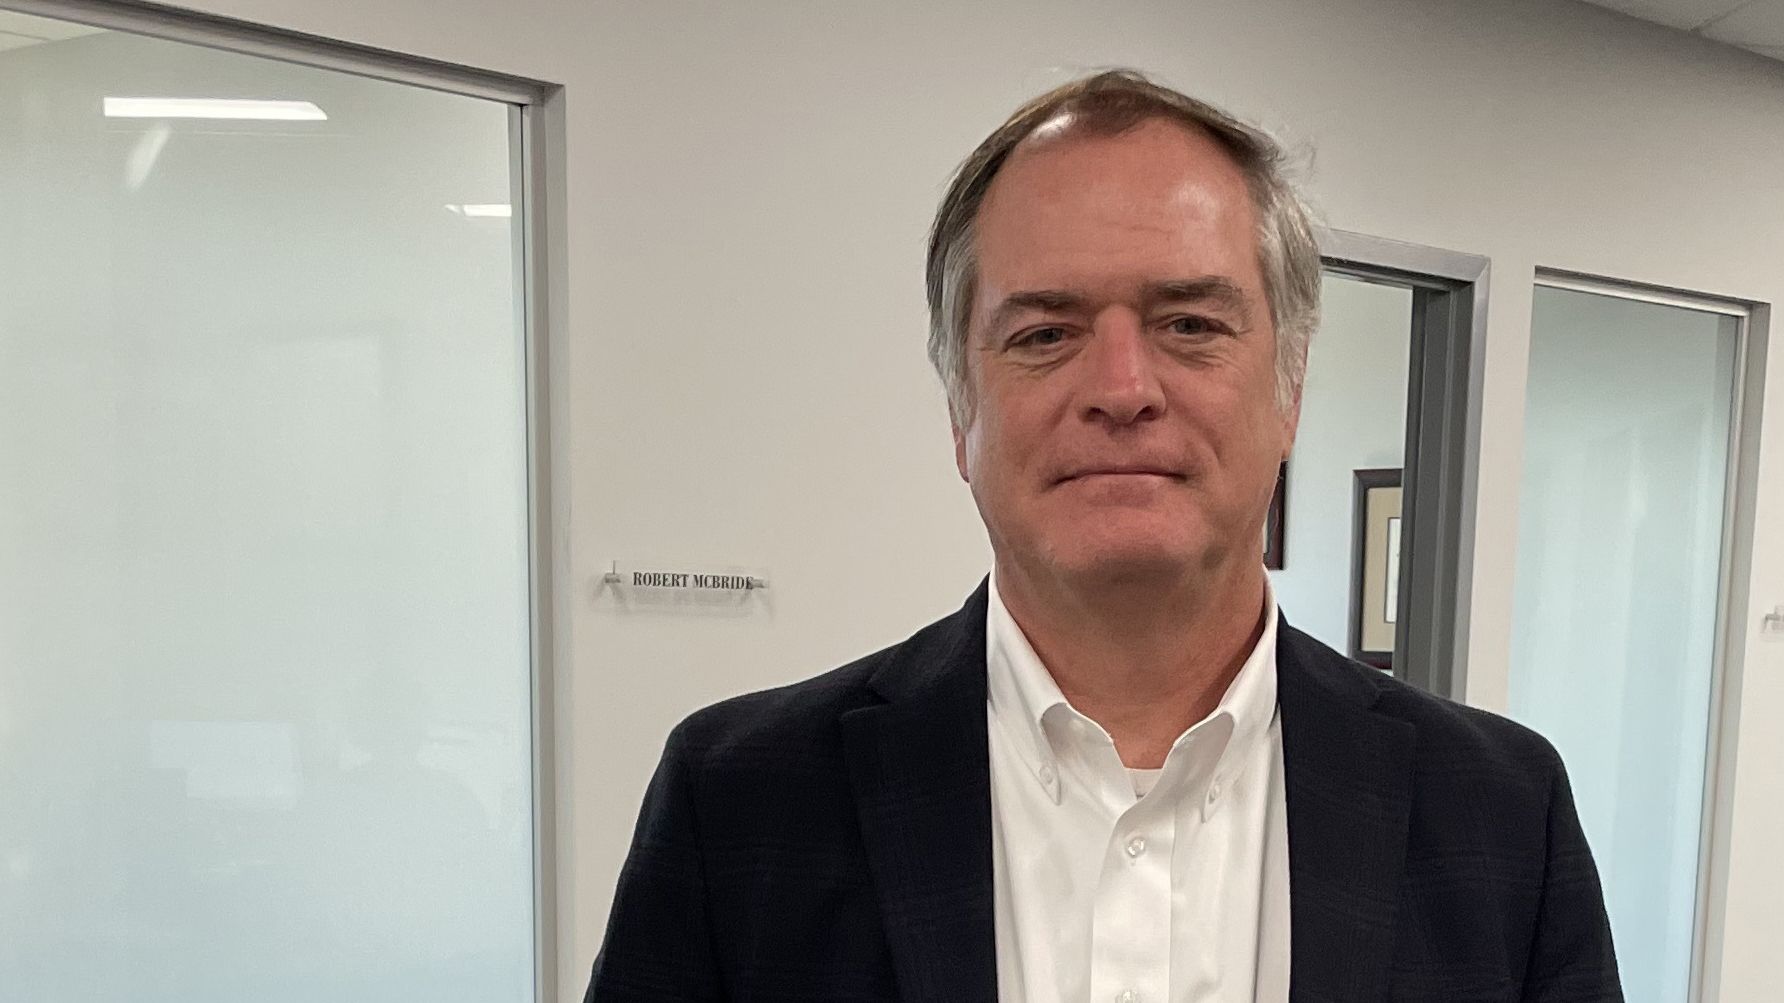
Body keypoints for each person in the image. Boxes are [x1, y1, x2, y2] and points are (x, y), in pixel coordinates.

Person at [586, 69, 1622, 1002]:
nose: (1123, 389)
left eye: (1189, 325)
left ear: (1289, 390)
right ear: (960, 411)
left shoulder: (1502, 816)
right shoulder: (739, 804)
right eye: (1045, 333)